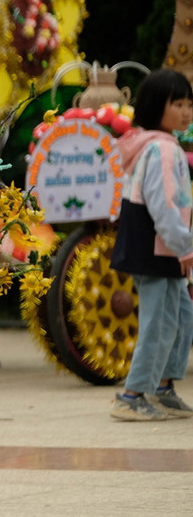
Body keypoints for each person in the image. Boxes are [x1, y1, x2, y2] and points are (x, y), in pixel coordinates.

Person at [109, 68, 193, 421]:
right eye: (178, 103)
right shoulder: (161, 149)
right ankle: (131, 396)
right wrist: (184, 247)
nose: (186, 111)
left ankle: (163, 387)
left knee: (182, 318)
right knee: (159, 323)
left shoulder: (158, 144)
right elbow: (164, 204)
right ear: (156, 105)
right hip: (161, 247)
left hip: (165, 247)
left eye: (190, 103)